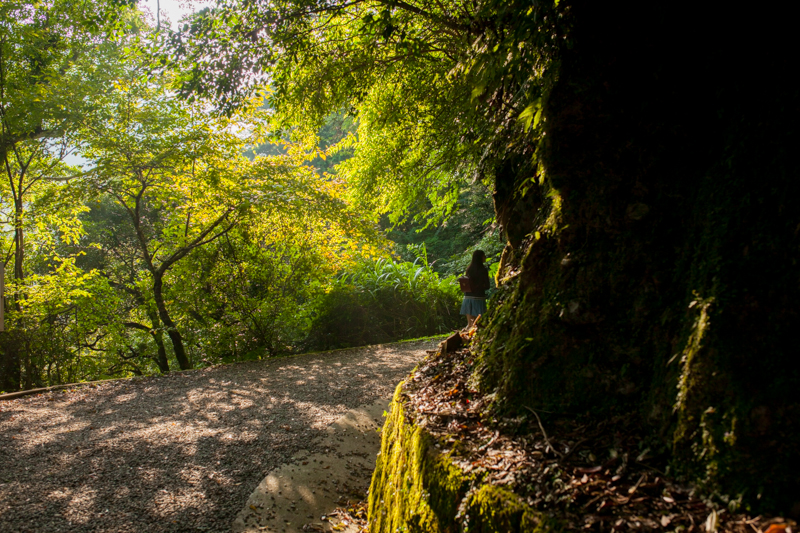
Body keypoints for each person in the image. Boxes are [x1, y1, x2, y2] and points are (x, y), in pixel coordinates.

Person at [460, 249, 490, 328]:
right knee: (479, 324)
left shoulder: (469, 269)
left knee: (470, 324)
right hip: (479, 298)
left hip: (468, 298)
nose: (485, 257)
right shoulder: (483, 270)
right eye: (484, 256)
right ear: (480, 257)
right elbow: (487, 285)